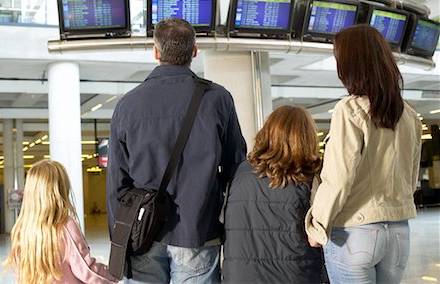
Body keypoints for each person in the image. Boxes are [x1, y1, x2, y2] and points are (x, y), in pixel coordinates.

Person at [107, 17, 246, 283]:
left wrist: (121, 238)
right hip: (197, 230)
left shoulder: (127, 105)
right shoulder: (217, 99)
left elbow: (117, 182)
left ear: (156, 52)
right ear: (194, 52)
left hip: (143, 233)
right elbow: (237, 166)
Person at [305, 24, 422, 284]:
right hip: (399, 233)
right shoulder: (409, 115)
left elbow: (338, 178)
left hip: (355, 232)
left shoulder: (349, 110)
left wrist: (318, 226)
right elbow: (410, 177)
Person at [222, 105, 324, 284]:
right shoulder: (311, 176)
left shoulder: (238, 172)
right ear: (306, 138)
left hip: (241, 277)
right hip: (297, 275)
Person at [5, 159, 118, 284]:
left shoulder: (21, 229)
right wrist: (113, 276)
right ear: (60, 190)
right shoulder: (65, 225)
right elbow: (86, 270)